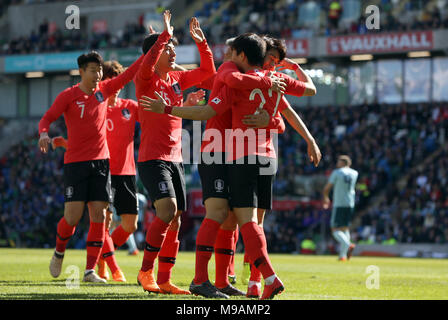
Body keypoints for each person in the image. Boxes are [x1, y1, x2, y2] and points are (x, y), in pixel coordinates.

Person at [140, 33, 321, 300]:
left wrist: (273, 121)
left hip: (239, 153)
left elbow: (282, 116)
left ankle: (227, 280)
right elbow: (208, 96)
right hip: (217, 151)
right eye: (270, 58)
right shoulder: (229, 73)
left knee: (234, 219)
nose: (228, 56)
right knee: (219, 213)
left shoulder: (258, 80)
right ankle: (200, 279)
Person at [38, 49, 145, 283]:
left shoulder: (104, 91)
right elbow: (47, 118)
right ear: (81, 72)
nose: (98, 75)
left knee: (99, 216)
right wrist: (43, 134)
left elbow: (129, 75)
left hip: (101, 164)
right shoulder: (68, 96)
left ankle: (90, 271)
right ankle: (59, 252)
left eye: (99, 70)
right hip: (75, 164)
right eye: (93, 71)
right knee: (72, 218)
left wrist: (149, 53)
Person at [134, 10, 216, 295]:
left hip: (175, 159)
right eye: (169, 48)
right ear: (154, 55)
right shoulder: (144, 79)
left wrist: (202, 44)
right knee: (166, 210)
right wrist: (165, 34)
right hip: (152, 158)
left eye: (172, 47)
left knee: (177, 217)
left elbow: (208, 73)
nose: (173, 52)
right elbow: (150, 60)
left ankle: (165, 278)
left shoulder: (176, 81)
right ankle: (145, 272)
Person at [322, 155, 358, 261]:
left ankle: (348, 245)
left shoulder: (337, 172)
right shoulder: (355, 173)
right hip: (350, 203)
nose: (337, 163)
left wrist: (325, 197)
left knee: (334, 229)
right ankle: (343, 256)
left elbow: (327, 187)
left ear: (343, 163)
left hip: (339, 203)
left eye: (338, 161)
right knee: (344, 228)